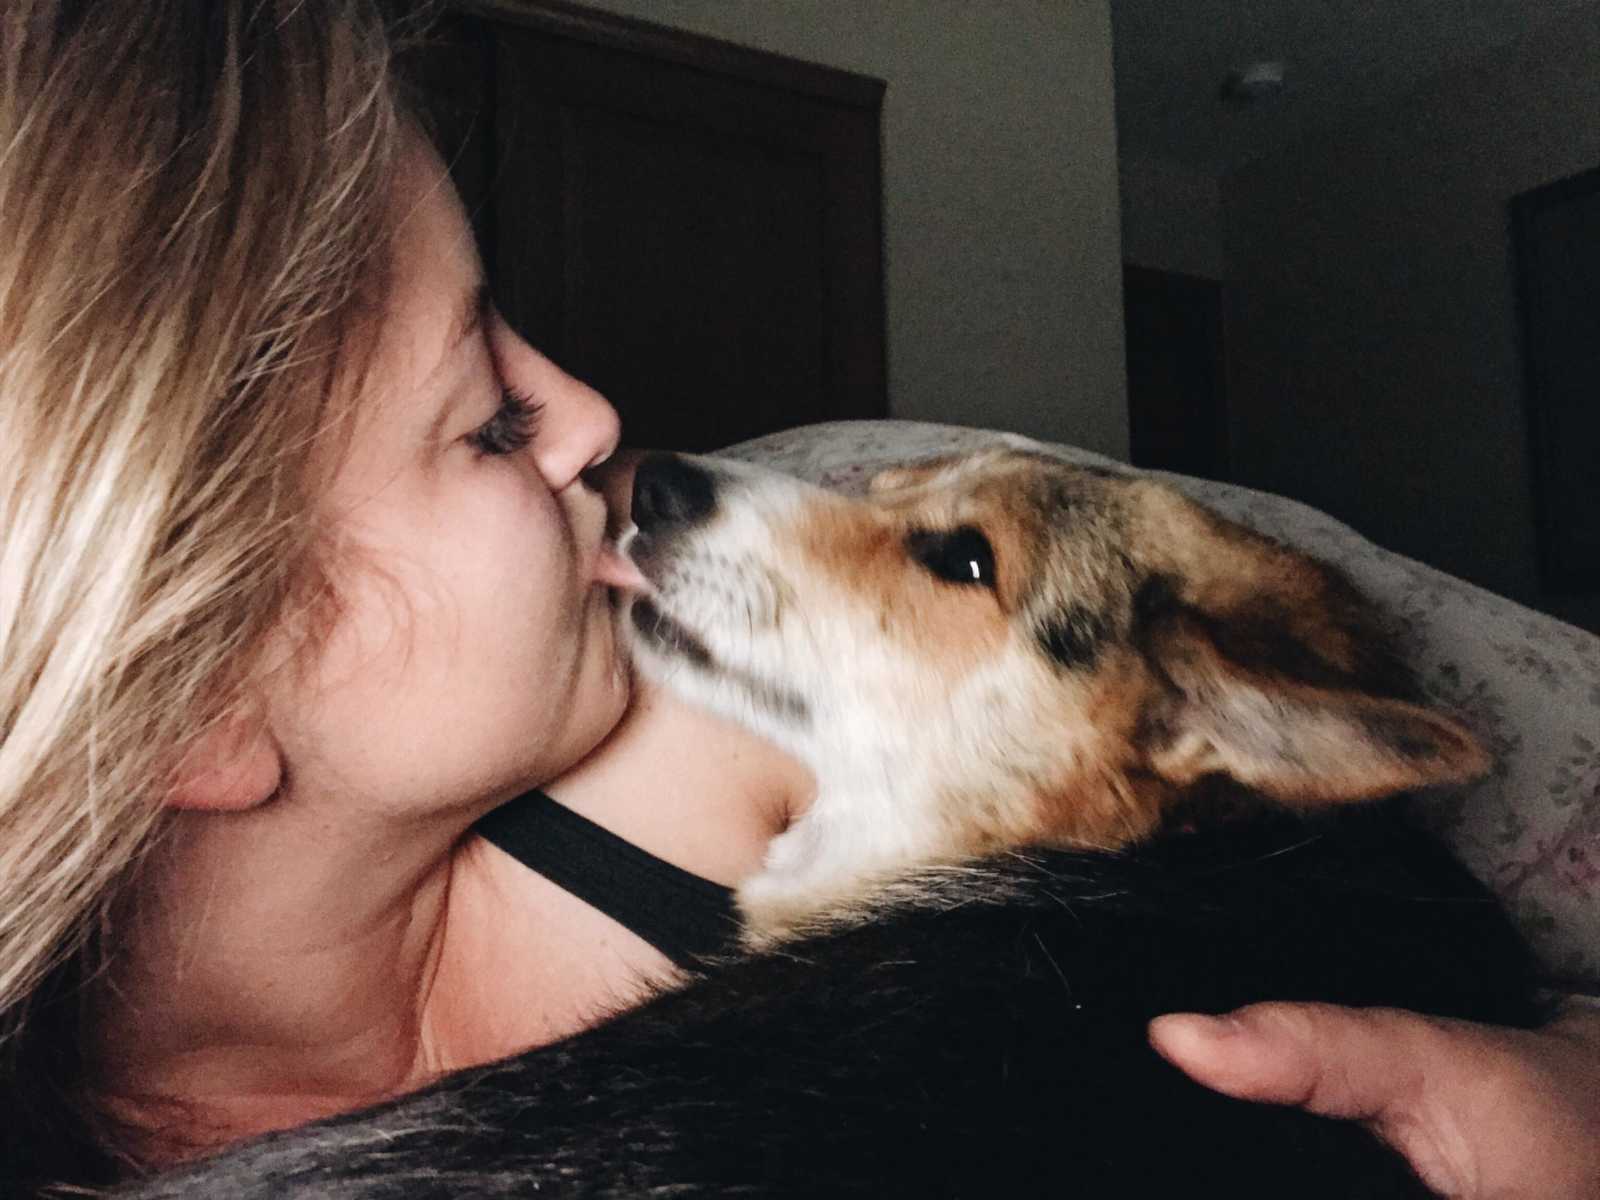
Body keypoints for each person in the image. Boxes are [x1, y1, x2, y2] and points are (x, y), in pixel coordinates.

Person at [0, 2, 1594, 1195]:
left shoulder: (776, 697)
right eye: (485, 422)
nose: (593, 417)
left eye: (517, 342)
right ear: (189, 698)